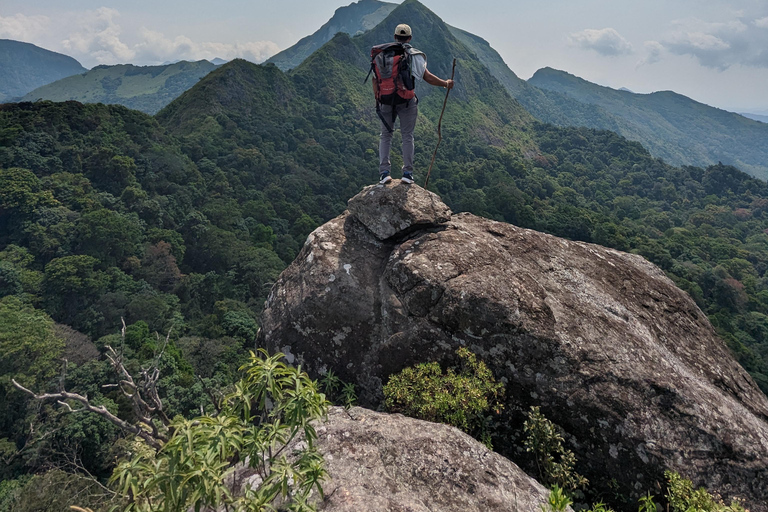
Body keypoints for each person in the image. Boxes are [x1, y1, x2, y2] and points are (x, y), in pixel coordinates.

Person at [375, 23, 454, 185]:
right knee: (407, 136)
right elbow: (427, 77)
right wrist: (445, 83)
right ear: (410, 38)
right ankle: (407, 174)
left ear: (395, 36)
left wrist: (379, 98)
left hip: (385, 100)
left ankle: (384, 173)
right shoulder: (413, 55)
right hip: (406, 101)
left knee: (386, 136)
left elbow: (375, 79)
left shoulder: (382, 54)